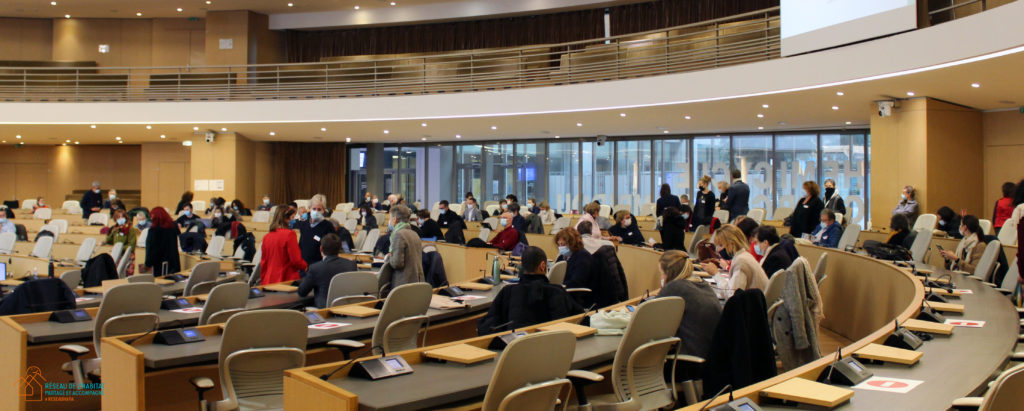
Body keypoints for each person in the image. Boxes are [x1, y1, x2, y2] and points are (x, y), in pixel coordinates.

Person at [477, 246, 584, 334]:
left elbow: (487, 326)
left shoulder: (507, 292)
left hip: (515, 350)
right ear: (543, 266)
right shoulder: (556, 291)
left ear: (521, 266)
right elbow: (580, 319)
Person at [656, 250, 722, 357]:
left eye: (662, 274)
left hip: (690, 360)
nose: (661, 278)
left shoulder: (675, 287)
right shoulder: (702, 284)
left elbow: (654, 322)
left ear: (669, 273)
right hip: (711, 356)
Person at [699, 224, 769, 294]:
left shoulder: (741, 261)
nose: (717, 250)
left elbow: (732, 295)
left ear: (732, 244)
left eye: (720, 245)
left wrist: (715, 273)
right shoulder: (743, 256)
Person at [297, 233, 357, 309]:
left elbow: (302, 292)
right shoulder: (351, 265)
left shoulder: (315, 268)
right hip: (346, 308)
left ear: (321, 248)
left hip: (325, 311)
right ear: (339, 249)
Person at [379, 205, 425, 293]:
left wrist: (388, 257)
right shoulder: (414, 234)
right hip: (417, 282)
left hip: (403, 283)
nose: (389, 221)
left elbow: (397, 263)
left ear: (395, 219)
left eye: (390, 218)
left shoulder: (399, 235)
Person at [261, 207, 307, 285]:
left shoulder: (266, 237)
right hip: (285, 279)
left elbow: (264, 262)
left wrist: (263, 280)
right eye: (292, 218)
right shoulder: (290, 235)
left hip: (268, 280)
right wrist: (306, 267)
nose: (293, 221)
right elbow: (296, 260)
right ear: (286, 219)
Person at [295, 194, 337, 266]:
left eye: (319, 209)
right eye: (314, 209)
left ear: (324, 210)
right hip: (303, 266)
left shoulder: (328, 226)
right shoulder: (304, 224)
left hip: (320, 266)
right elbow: (301, 245)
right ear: (309, 209)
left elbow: (331, 250)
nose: (316, 211)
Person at [144, 207, 181, 276]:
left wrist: (147, 264)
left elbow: (151, 249)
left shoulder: (153, 231)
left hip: (159, 265)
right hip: (173, 263)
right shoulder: (173, 227)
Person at [104, 209, 140, 276]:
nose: (120, 219)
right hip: (117, 254)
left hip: (127, 255)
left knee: (125, 274)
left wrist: (119, 248)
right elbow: (108, 240)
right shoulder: (116, 229)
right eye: (118, 217)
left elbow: (131, 245)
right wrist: (113, 232)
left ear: (125, 218)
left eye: (122, 217)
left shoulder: (130, 229)